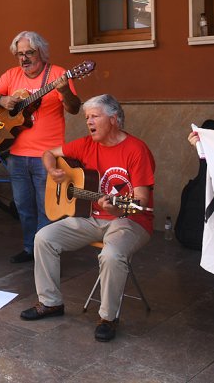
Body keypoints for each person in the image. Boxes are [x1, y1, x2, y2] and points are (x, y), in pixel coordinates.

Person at [20, 94, 154, 343]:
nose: (88, 122)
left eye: (94, 116)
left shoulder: (137, 149)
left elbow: (141, 201)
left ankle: (108, 317)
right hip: (91, 218)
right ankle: (50, 303)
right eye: (86, 118)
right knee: (44, 237)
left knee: (111, 255)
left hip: (131, 221)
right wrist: (53, 170)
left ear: (113, 119)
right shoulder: (85, 145)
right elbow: (48, 153)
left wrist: (118, 210)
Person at [0, 31, 81, 263]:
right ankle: (30, 249)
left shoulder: (58, 74)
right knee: (23, 208)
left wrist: (64, 90)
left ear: (41, 53)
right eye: (19, 54)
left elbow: (74, 108)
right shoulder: (12, 75)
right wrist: (2, 101)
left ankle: (48, 255)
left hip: (47, 156)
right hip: (16, 155)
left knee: (47, 210)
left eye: (29, 53)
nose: (24, 59)